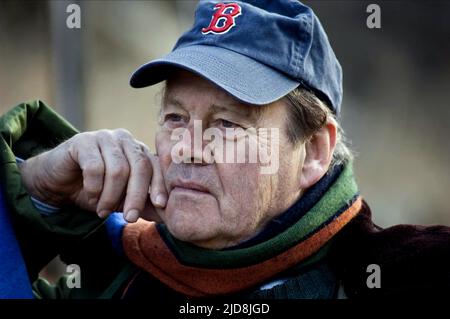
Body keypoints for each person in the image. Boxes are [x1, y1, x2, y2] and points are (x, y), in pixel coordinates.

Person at [0, 0, 449, 299]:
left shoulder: (410, 274)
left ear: (313, 151)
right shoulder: (122, 279)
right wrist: (37, 190)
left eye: (227, 124)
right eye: (175, 118)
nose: (188, 149)